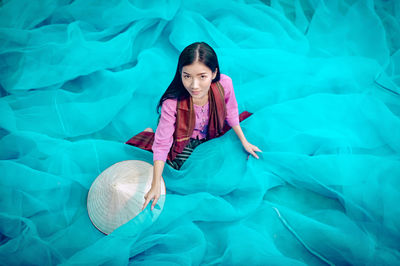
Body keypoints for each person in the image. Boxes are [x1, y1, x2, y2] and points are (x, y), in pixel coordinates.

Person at [126, 42, 261, 211]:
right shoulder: (172, 103)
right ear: (180, 74)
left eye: (202, 76)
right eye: (187, 76)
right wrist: (155, 184)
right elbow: (163, 144)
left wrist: (244, 141)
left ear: (214, 73)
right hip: (184, 138)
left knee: (231, 157)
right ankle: (147, 135)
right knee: (175, 168)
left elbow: (231, 112)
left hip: (215, 131)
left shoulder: (224, 84)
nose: (194, 85)